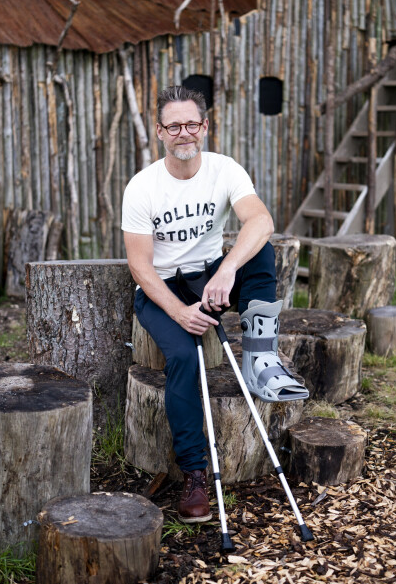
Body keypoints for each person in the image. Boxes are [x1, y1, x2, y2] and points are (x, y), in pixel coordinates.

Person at [122, 85, 308, 523]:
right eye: (174, 126)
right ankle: (194, 474)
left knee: (259, 246)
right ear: (160, 132)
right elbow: (139, 266)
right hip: (163, 291)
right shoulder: (143, 187)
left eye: (191, 124)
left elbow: (260, 219)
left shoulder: (225, 170)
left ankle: (260, 360)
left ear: (204, 127)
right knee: (185, 359)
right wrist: (178, 311)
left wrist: (225, 271)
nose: (183, 133)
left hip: (211, 279)